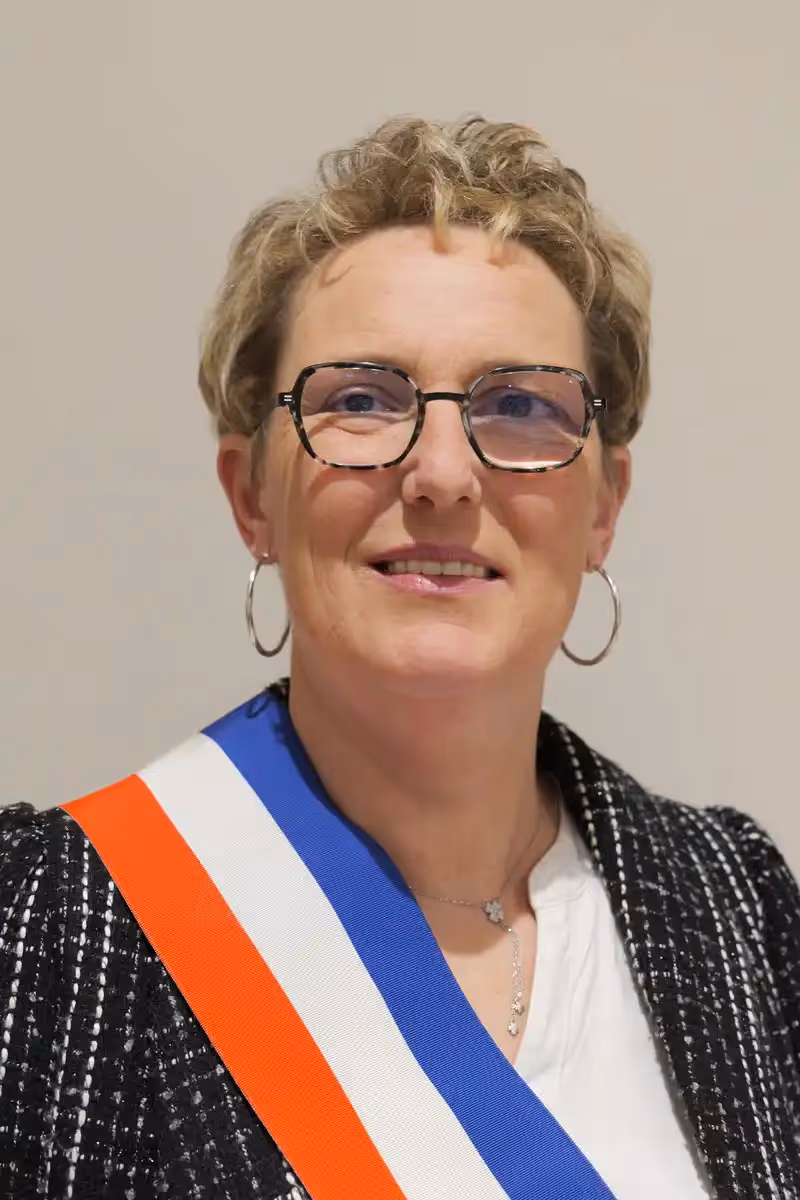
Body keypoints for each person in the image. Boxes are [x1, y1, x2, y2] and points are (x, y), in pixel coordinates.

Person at [1, 116, 797, 1200]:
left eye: (519, 405)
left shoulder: (734, 909)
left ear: (604, 506)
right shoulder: (51, 925)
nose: (442, 476)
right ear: (251, 496)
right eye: (362, 400)